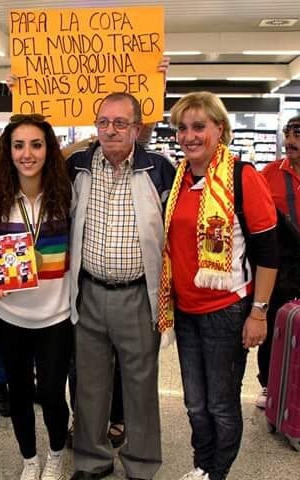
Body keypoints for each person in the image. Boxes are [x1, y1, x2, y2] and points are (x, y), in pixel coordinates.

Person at [158, 91, 278, 480]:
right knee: (195, 404)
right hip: (185, 311)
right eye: (182, 128)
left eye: (199, 126)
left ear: (220, 129)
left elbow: (268, 252)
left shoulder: (243, 178)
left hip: (227, 311)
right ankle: (202, 465)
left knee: (221, 405)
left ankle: (216, 472)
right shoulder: (179, 178)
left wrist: (259, 313)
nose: (189, 136)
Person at [67, 91, 176, 480]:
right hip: (89, 292)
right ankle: (91, 460)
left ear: (137, 128)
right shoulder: (77, 166)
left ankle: (141, 464)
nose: (110, 130)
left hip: (138, 295)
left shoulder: (159, 169)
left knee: (140, 385)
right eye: (103, 122)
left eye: (120, 123)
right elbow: (33, 171)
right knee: (89, 384)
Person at [0, 113, 72, 480]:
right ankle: (30, 458)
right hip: (9, 315)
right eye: (18, 145)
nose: (27, 154)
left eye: (36, 145)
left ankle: (55, 454)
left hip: (56, 315)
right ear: (8, 151)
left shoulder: (66, 194)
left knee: (51, 394)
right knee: (18, 393)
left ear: (49, 150)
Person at [257, 115, 300, 408]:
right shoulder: (269, 173)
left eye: (297, 134)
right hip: (282, 268)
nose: (289, 141)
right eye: (287, 133)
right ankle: (268, 384)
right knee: (274, 326)